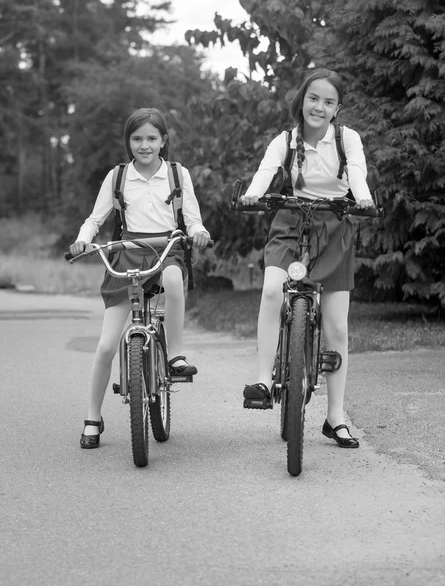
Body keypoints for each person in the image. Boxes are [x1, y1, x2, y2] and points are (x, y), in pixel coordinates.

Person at [241, 68, 374, 449]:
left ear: (337, 109)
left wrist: (361, 198)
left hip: (334, 228)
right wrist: (254, 194)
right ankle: (264, 381)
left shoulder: (348, 139)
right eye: (314, 98)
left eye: (329, 101)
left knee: (337, 328)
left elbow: (359, 175)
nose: (319, 106)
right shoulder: (285, 140)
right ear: (302, 100)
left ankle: (335, 418)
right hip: (290, 222)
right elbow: (266, 172)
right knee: (270, 291)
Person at [70, 107, 211, 449]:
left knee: (174, 282)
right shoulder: (118, 176)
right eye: (137, 139)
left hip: (167, 248)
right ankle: (93, 417)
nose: (144, 145)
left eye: (151, 138)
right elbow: (95, 218)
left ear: (164, 141)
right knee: (106, 345)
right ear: (128, 142)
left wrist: (199, 230)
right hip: (128, 249)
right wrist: (82, 239)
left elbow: (191, 218)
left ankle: (175, 356)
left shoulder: (177, 174)